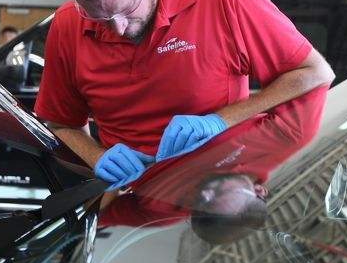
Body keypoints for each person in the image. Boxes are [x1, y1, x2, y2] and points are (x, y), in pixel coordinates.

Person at [34, 0, 334, 191]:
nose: (119, 28)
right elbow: (61, 126)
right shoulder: (67, 25)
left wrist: (220, 121)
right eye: (97, 16)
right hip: (131, 202)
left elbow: (314, 72)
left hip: (216, 193)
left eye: (127, 8)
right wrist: (96, 156)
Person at [98, 85, 328, 244]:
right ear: (259, 191)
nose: (206, 193)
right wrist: (224, 118)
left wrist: (110, 172)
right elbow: (311, 76)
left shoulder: (163, 211)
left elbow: (96, 215)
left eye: (200, 206)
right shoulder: (287, 138)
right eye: (219, 194)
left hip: (102, 113)